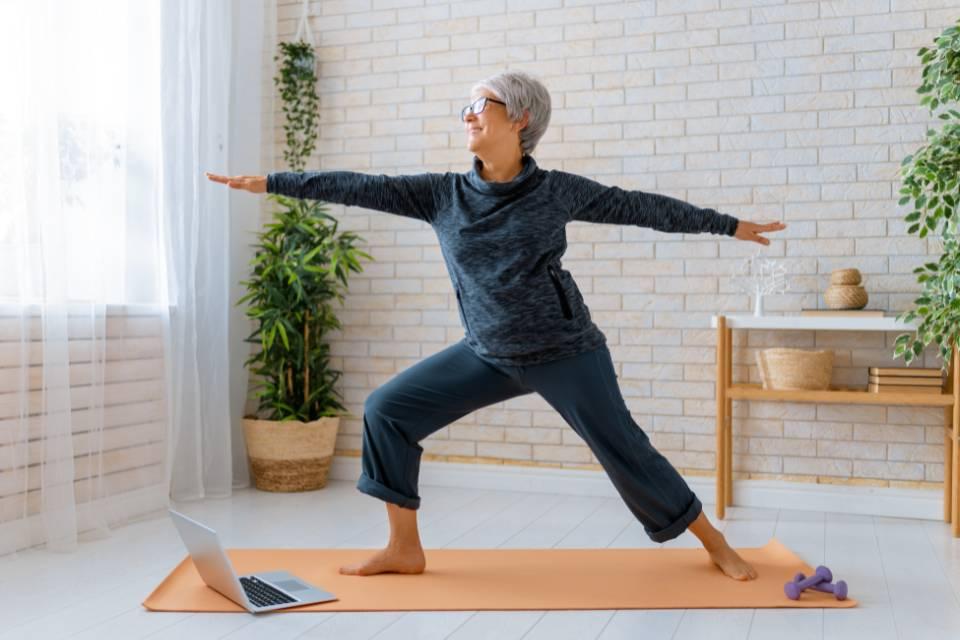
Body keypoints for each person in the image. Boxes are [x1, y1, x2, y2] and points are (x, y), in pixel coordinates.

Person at [207, 70, 786, 582]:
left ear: (520, 118)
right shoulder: (441, 195)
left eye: (480, 105)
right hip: (486, 353)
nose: (468, 115)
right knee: (387, 410)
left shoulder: (557, 192)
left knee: (624, 448)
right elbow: (361, 186)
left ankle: (716, 545)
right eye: (465, 107)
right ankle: (403, 550)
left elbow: (642, 207)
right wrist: (275, 182)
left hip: (565, 351)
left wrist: (730, 226)